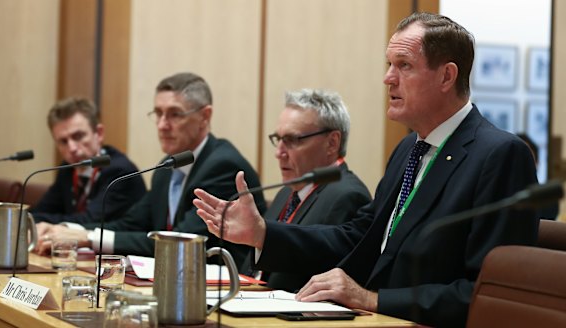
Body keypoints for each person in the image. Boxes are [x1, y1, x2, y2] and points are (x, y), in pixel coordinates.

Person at [193, 13, 539, 327]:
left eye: (404, 65)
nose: (389, 78)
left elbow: (488, 291)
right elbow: (357, 238)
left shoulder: (499, 155)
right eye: (389, 64)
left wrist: (372, 299)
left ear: (447, 75)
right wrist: (263, 234)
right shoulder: (409, 148)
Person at [36, 72, 266, 267]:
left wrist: (87, 237)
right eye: (158, 114)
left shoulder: (222, 166)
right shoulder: (166, 168)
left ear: (204, 117)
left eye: (175, 114)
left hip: (224, 294)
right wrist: (64, 230)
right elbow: (131, 223)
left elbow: (178, 243)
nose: (162, 125)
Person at [247, 88, 371, 292]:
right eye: (278, 140)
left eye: (293, 140)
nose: (279, 153)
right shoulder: (287, 192)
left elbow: (316, 271)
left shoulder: (347, 196)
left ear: (332, 143)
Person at [0, 97, 146, 227]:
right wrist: (8, 217)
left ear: (99, 133)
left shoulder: (120, 171)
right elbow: (43, 210)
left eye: (78, 136)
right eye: (63, 141)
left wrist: (19, 220)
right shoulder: (68, 169)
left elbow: (88, 221)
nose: (72, 148)